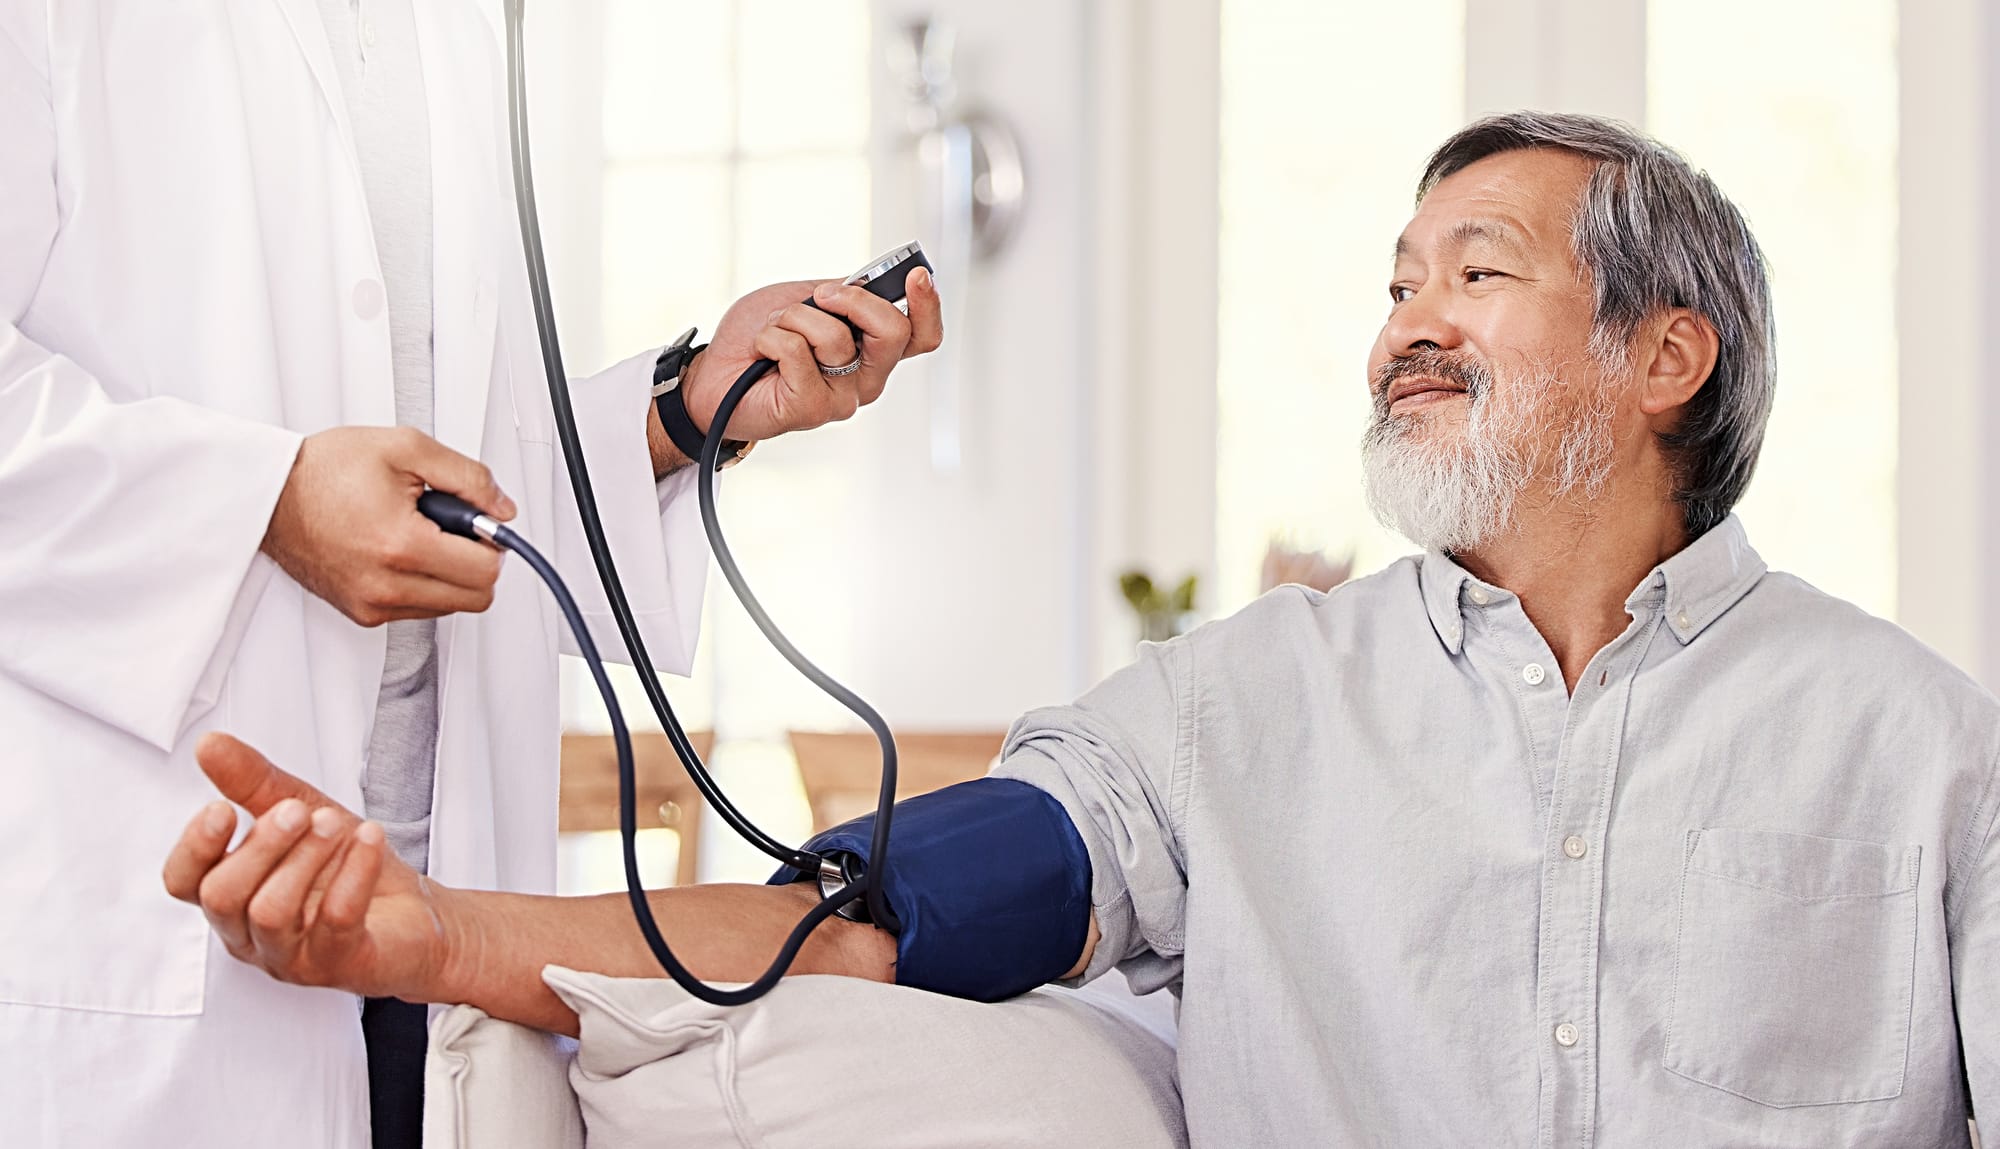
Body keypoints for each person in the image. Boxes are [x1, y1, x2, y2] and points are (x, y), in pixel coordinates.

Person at [164, 112, 2000, 1146]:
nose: (1401, 329)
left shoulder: (1920, 748)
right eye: (1394, 283)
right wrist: (427, 931)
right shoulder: (1240, 712)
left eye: (1478, 272)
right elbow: (856, 918)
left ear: (1665, 356)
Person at [0, 1, 940, 1145]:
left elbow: (454, 460)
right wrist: (264, 499)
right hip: (156, 931)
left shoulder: (447, 30)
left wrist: (689, 410)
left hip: (443, 927)